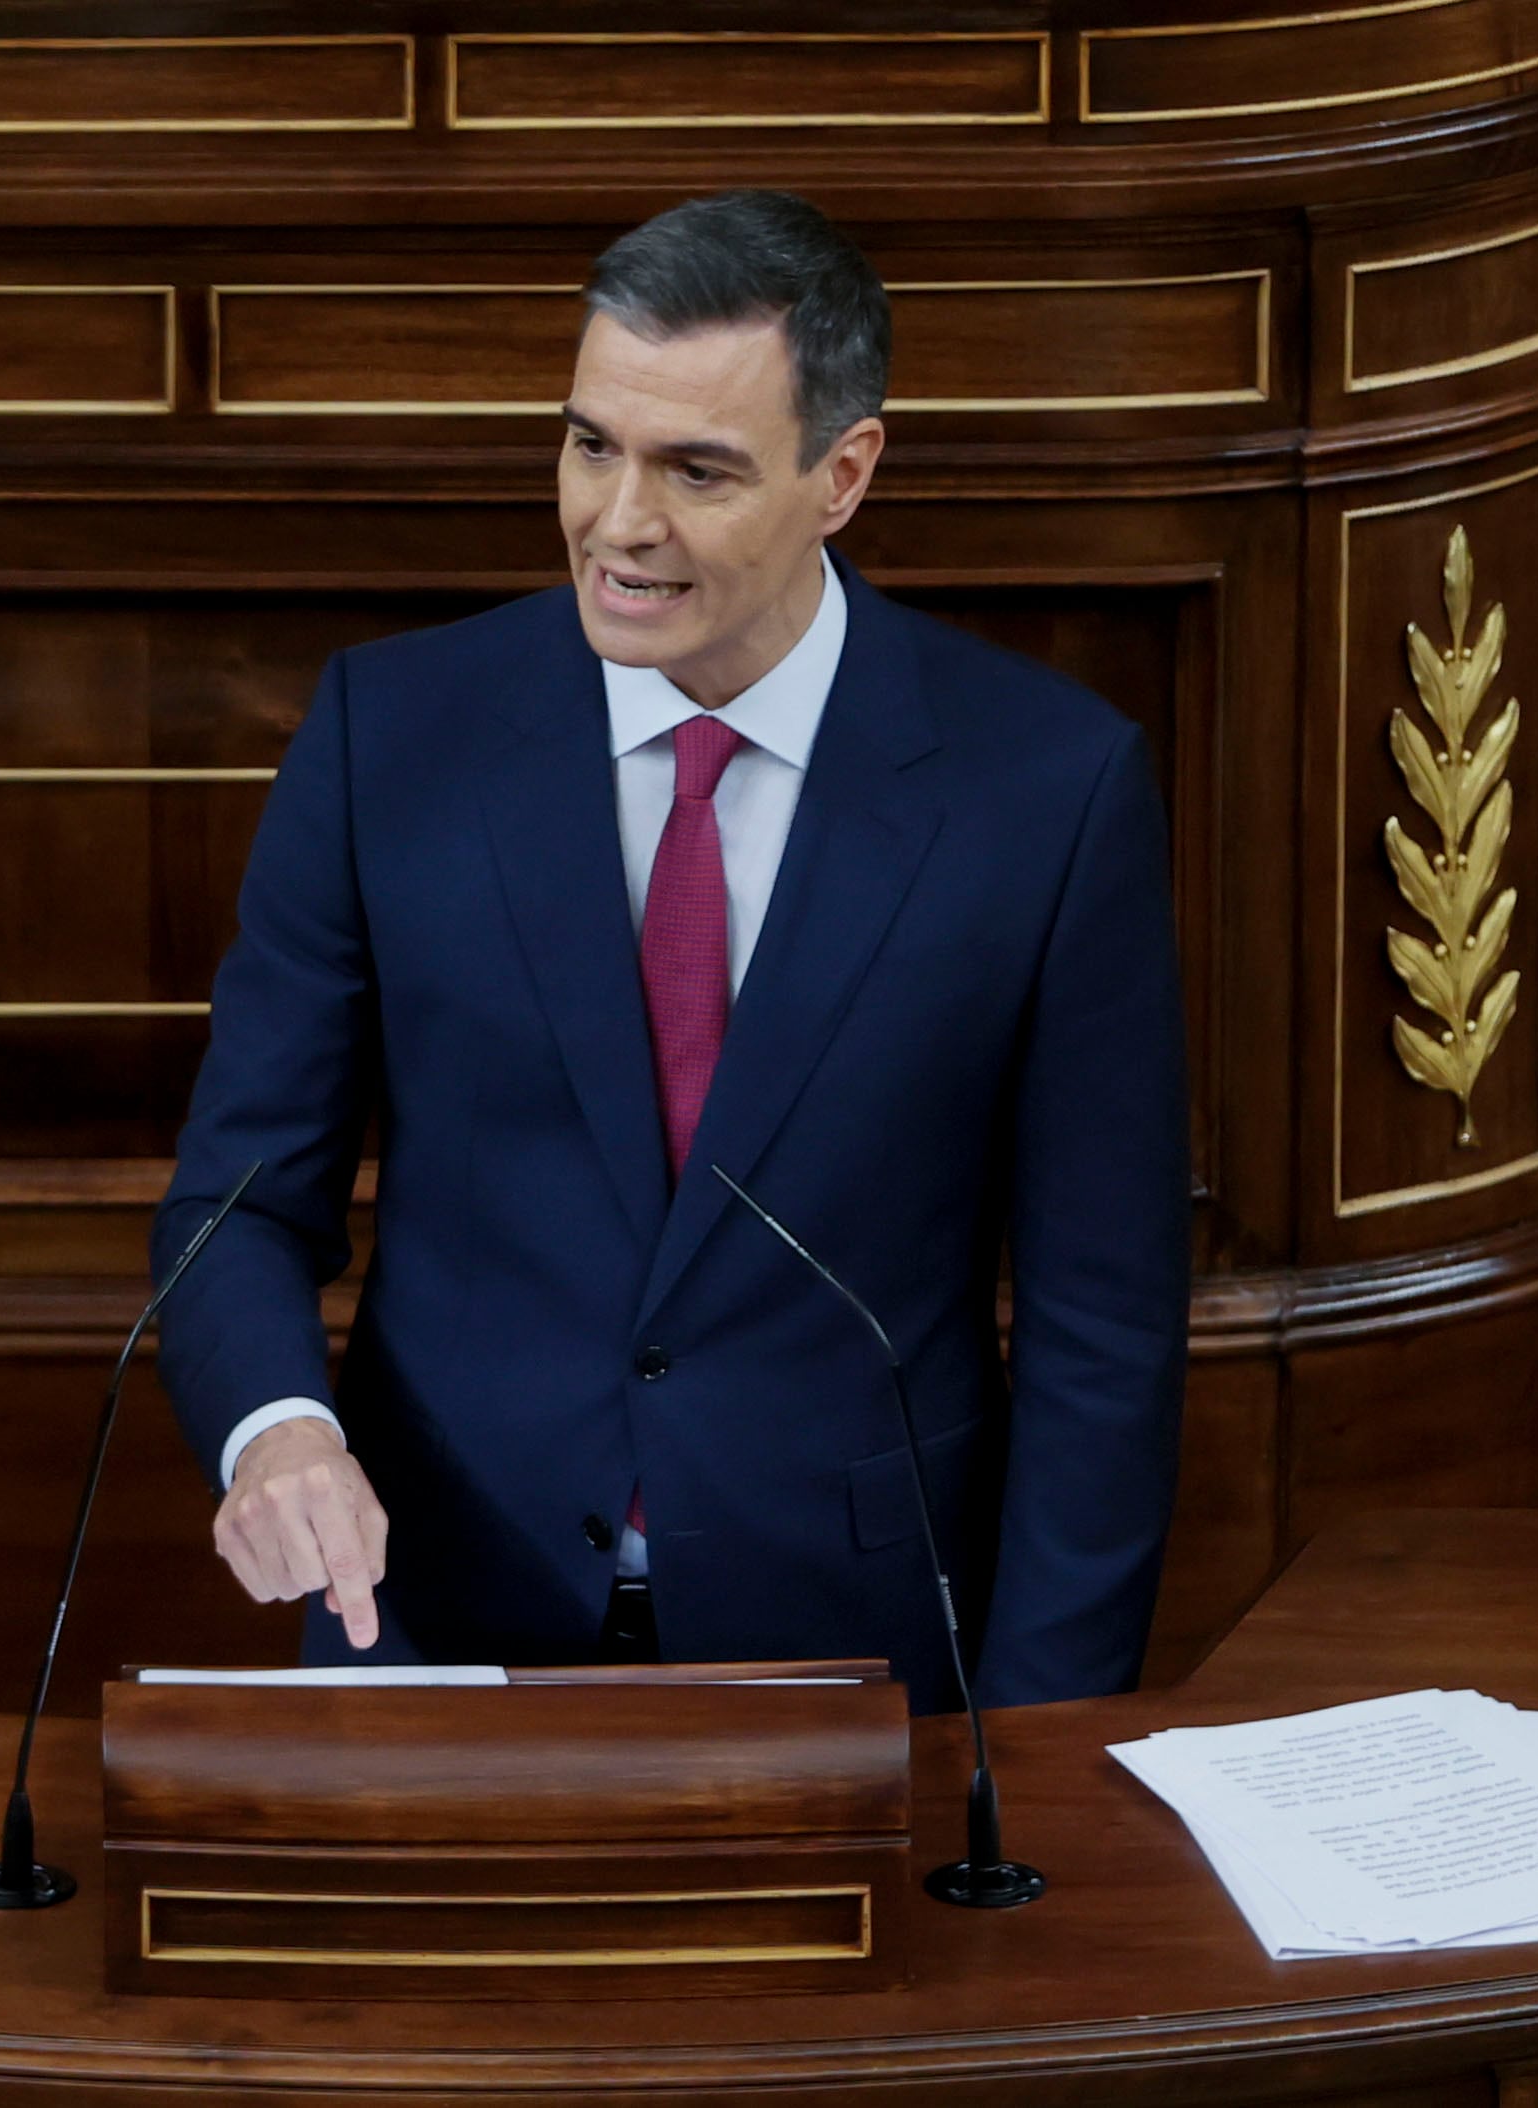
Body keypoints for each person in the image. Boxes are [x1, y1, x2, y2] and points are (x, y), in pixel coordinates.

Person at [150, 189, 1188, 1709]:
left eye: (695, 470)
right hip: (438, 1624)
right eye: (590, 446)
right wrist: (275, 1431)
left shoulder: (1047, 789)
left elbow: (1104, 1327)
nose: (618, 523)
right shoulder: (393, 735)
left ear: (843, 473)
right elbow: (236, 1201)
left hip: (860, 1654)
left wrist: (1034, 1752)